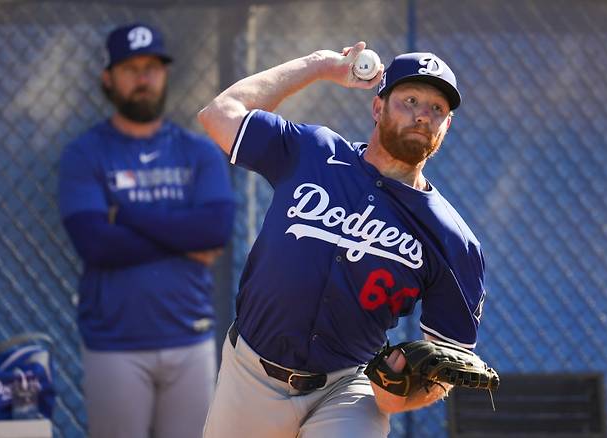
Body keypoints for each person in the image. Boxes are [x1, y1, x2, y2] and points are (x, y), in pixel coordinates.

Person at [198, 42, 486, 438]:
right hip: (250, 373)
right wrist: (317, 66)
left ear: (447, 126)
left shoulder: (453, 241)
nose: (423, 115)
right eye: (410, 99)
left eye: (437, 109)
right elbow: (219, 114)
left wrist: (401, 397)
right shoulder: (313, 152)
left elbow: (448, 364)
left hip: (347, 389)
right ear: (378, 108)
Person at [57, 23, 236, 438]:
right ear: (108, 78)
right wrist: (183, 238)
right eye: (131, 68)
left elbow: (215, 230)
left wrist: (127, 216)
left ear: (165, 74)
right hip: (115, 344)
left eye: (152, 67)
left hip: (189, 338)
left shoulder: (198, 152)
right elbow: (96, 244)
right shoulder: (85, 154)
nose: (143, 78)